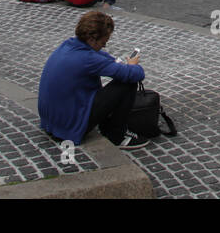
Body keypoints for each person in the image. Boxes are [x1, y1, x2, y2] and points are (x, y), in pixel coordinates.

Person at [38, 10, 148, 149]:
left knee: (119, 78)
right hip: (70, 125)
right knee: (127, 83)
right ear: (91, 39)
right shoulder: (88, 59)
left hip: (52, 120)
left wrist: (115, 62)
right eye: (103, 42)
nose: (104, 46)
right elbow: (134, 75)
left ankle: (109, 125)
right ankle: (117, 135)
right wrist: (132, 66)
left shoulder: (69, 45)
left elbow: (99, 56)